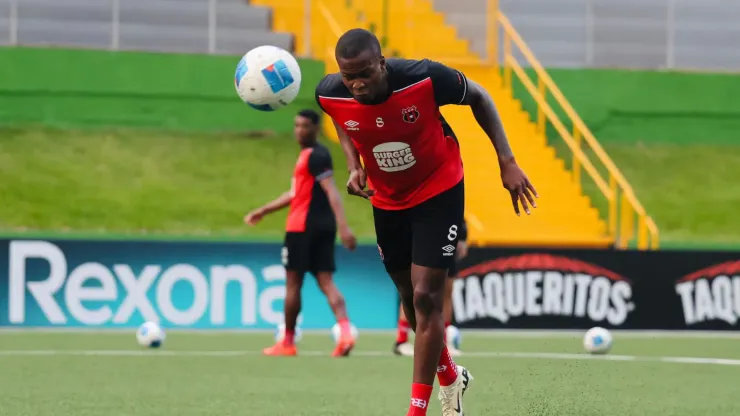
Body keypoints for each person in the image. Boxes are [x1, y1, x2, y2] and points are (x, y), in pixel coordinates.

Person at [315, 28, 537, 416]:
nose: (357, 84)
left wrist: (507, 161)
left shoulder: (424, 78)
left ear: (382, 63)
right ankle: (451, 377)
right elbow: (340, 116)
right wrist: (354, 166)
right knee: (408, 295)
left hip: (439, 187)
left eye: (365, 72)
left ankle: (418, 409)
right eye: (349, 77)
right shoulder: (329, 93)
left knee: (425, 296)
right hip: (387, 199)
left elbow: (481, 96)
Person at [244, 109, 358, 358]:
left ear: (316, 128)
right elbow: (296, 193)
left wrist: (345, 227)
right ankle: (346, 332)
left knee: (293, 284)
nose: (299, 130)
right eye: (296, 125)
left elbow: (332, 191)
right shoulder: (309, 156)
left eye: (304, 126)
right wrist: (263, 210)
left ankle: (287, 342)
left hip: (301, 228)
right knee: (326, 282)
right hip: (321, 227)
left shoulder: (316, 155)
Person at [394, 220, 468, 358]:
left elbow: (455, 202)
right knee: (413, 289)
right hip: (421, 231)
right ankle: (401, 340)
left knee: (446, 290)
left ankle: (445, 343)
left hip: (446, 233)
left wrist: (462, 236)